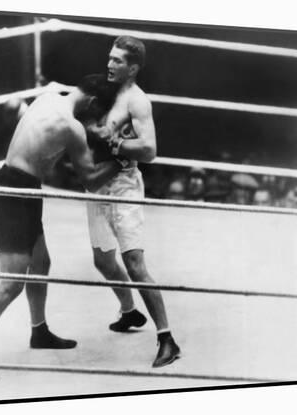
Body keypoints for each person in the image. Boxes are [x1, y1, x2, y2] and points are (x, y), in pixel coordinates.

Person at [0, 74, 122, 381]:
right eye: (98, 113)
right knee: (11, 283)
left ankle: (39, 331)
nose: (95, 120)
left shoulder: (49, 98)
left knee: (41, 261)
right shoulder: (72, 127)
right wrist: (121, 161)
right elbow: (91, 181)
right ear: (93, 103)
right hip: (15, 192)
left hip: (20, 186)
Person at [86, 36, 180, 368]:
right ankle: (129, 312)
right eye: (109, 58)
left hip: (124, 185)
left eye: (118, 61)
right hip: (98, 185)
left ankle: (167, 339)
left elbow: (150, 151)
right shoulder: (107, 91)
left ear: (133, 68)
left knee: (135, 264)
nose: (110, 64)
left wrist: (114, 146)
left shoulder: (137, 101)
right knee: (102, 260)